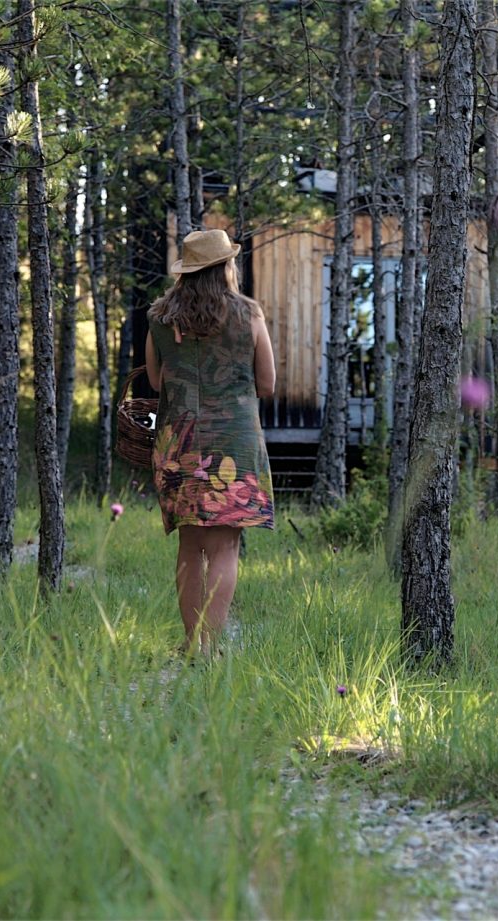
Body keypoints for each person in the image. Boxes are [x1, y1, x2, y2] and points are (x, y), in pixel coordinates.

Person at [145, 228, 276, 655]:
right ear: (226, 267)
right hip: (234, 443)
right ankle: (212, 647)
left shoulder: (161, 318)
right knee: (225, 545)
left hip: (179, 441)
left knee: (190, 545)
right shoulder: (248, 314)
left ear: (187, 272)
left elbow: (154, 380)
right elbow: (267, 382)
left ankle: (190, 642)